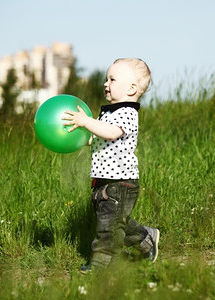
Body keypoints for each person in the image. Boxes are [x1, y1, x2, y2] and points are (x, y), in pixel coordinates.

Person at [63, 58, 159, 272]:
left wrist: (86, 122)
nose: (106, 83)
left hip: (121, 183)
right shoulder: (109, 112)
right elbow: (103, 138)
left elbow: (113, 132)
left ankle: (101, 265)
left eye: (112, 79)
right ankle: (146, 238)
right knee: (115, 221)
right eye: (106, 79)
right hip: (104, 181)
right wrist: (84, 139)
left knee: (108, 228)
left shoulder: (127, 112)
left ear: (132, 88)